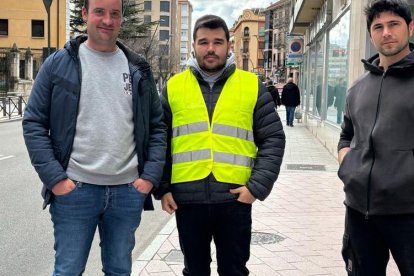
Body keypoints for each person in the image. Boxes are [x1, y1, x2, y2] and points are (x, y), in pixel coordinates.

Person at [22, 0, 167, 274]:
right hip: (75, 191)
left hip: (127, 192)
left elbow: (157, 126)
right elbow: (33, 123)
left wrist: (149, 178)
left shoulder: (139, 68)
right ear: (86, 14)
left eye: (115, 13)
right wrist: (56, 180)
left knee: (119, 271)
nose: (107, 20)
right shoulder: (57, 65)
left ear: (121, 18)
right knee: (68, 271)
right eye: (99, 12)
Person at [156, 15, 285, 276]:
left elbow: (273, 139)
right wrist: (163, 188)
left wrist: (256, 187)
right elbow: (159, 140)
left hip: (234, 199)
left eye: (217, 42)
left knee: (234, 271)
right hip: (188, 201)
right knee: (195, 271)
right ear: (193, 45)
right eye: (203, 42)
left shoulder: (251, 86)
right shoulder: (173, 87)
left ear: (228, 45)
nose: (211, 48)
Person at [338, 0, 414, 274]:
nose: (386, 33)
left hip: (408, 212)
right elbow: (346, 135)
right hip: (360, 212)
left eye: (394, 24)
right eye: (378, 27)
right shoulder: (358, 87)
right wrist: (347, 162)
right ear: (371, 34)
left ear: (410, 27)